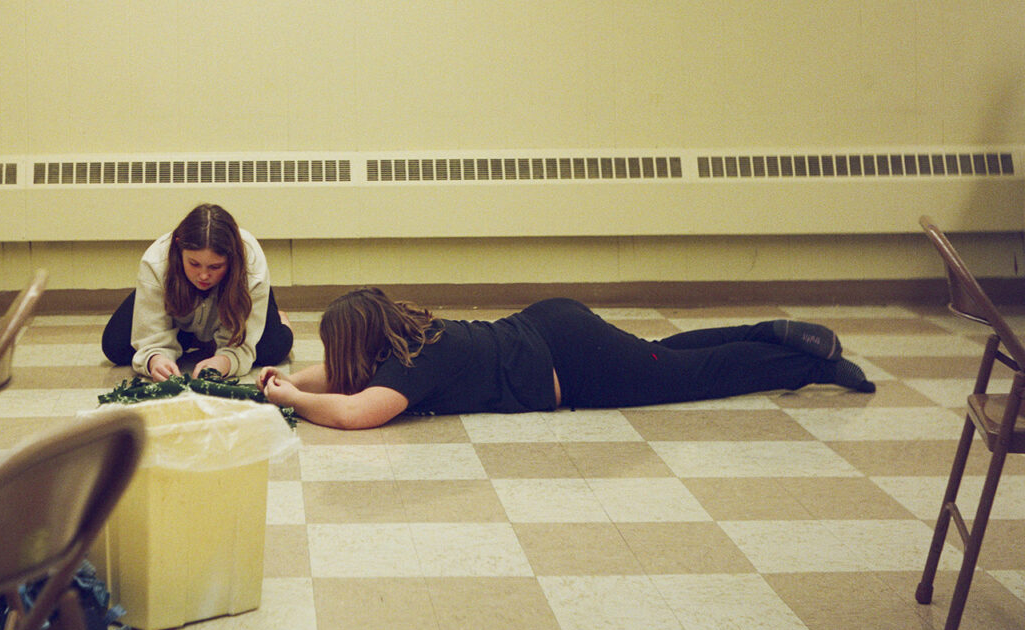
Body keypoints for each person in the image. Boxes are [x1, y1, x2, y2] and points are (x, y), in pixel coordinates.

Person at [258, 287, 876, 430]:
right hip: (550, 325)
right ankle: (772, 331)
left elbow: (356, 413)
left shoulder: (411, 370)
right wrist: (284, 380)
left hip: (574, 363)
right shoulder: (410, 338)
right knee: (660, 358)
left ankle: (806, 365)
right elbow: (345, 376)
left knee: (691, 377)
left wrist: (294, 399)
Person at [101, 203, 294, 381]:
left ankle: (279, 319)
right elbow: (150, 333)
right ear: (178, 247)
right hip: (180, 316)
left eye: (215, 267)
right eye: (194, 264)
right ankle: (201, 339)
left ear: (232, 260)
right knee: (116, 347)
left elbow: (242, 346)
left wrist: (225, 361)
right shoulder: (156, 260)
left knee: (272, 350)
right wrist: (156, 358)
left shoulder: (252, 265)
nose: (203, 276)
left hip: (235, 308)